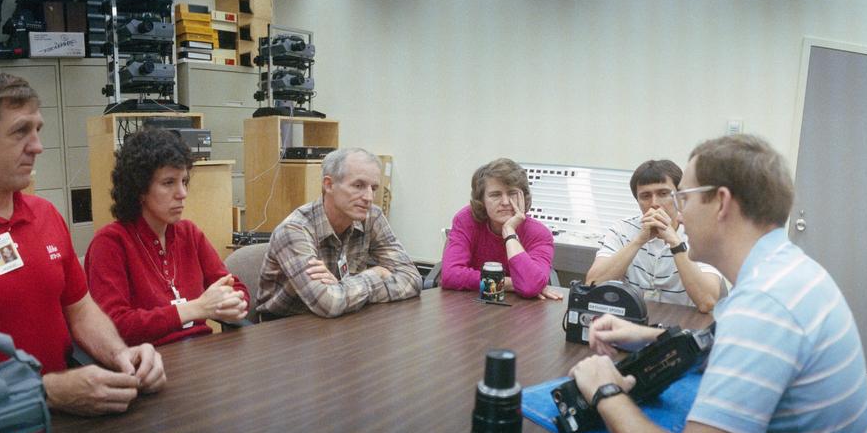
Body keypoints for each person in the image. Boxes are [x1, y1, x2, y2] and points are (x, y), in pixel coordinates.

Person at [568, 135, 867, 433]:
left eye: (684, 196)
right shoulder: (784, 268)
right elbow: (720, 341)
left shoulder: (763, 305)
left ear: (721, 203)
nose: (675, 209)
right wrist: (646, 336)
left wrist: (605, 391)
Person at [0, 72, 166, 416]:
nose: (37, 146)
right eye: (20, 131)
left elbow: (81, 309)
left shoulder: (46, 215)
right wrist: (45, 391)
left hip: (72, 408)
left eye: (38, 130)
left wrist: (121, 355)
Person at [85, 128, 250, 346]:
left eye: (184, 181)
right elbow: (116, 325)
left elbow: (234, 287)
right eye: (169, 182)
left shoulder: (189, 233)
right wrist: (196, 308)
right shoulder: (110, 243)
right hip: (149, 360)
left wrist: (233, 304)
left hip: (202, 352)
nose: (182, 193)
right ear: (140, 189)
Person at [255, 147, 421, 319]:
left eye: (373, 188)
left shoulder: (372, 216)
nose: (369, 197)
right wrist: (375, 274)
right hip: (283, 331)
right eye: (358, 186)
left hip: (342, 321)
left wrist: (343, 287)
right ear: (329, 185)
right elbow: (329, 304)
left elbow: (412, 279)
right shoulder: (294, 229)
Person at [585, 159, 724, 312]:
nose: (654, 203)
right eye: (645, 196)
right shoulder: (621, 229)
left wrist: (675, 242)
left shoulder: (703, 233)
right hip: (632, 321)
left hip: (683, 325)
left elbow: (708, 302)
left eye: (663, 193)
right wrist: (638, 241)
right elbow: (593, 285)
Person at [440, 158, 562, 300]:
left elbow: (530, 287)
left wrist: (509, 231)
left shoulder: (539, 234)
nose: (505, 202)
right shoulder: (465, 220)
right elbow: (450, 276)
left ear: (523, 197)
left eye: (512, 194)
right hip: (471, 306)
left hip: (520, 313)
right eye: (495, 195)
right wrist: (512, 283)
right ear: (482, 200)